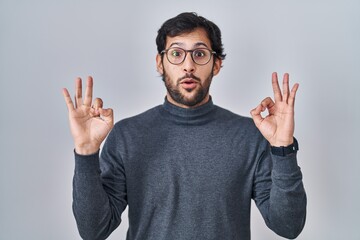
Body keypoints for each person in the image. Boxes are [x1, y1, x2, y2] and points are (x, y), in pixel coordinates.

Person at [62, 12, 306, 240]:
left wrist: (283, 148)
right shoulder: (127, 135)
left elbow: (288, 225)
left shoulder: (249, 136)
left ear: (216, 64)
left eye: (199, 54)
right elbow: (94, 230)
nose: (188, 66)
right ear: (160, 63)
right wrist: (86, 151)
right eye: (176, 54)